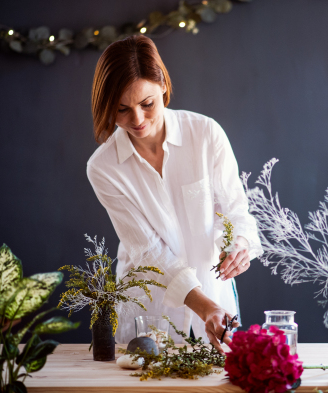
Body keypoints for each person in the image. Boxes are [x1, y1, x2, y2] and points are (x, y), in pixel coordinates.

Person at [87, 35, 262, 352]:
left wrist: (241, 245)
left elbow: (236, 211)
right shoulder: (103, 167)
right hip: (147, 311)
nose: (137, 120)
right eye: (122, 109)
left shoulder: (206, 134)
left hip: (216, 300)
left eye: (147, 104)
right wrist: (202, 306)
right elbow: (148, 252)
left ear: (163, 86)